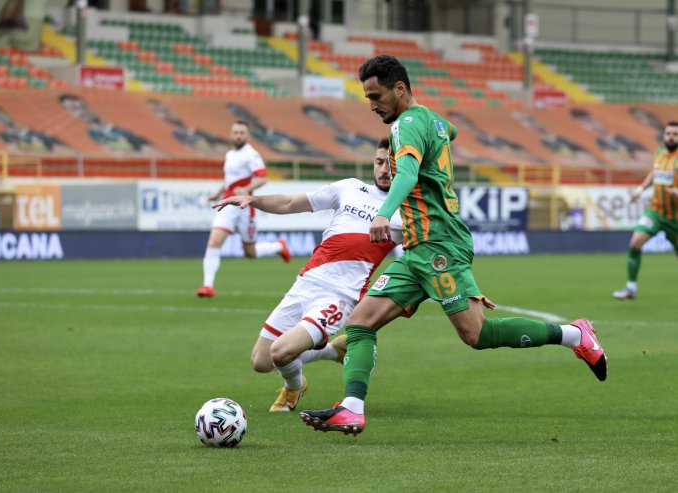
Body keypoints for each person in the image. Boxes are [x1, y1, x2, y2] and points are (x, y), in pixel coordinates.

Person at [299, 55, 608, 436]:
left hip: (438, 243)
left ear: (400, 89)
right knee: (361, 323)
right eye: (367, 97)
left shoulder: (404, 126)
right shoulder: (430, 119)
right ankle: (351, 408)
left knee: (476, 335)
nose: (371, 104)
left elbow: (409, 172)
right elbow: (452, 130)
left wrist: (383, 214)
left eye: (376, 95)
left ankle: (575, 334)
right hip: (417, 250)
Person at [213, 138, 402, 412]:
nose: (384, 169)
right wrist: (253, 199)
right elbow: (290, 202)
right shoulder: (349, 187)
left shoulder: (403, 212)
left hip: (339, 297)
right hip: (305, 283)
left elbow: (419, 257)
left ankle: (294, 387)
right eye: (379, 162)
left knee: (281, 352)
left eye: (391, 163)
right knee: (261, 361)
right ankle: (332, 351)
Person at [197, 120, 291, 298]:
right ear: (231, 134)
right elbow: (229, 180)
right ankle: (207, 286)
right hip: (227, 204)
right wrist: (217, 193)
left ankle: (278, 247)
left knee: (250, 252)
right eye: (235, 132)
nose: (238, 136)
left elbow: (262, 178)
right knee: (214, 241)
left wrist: (246, 190)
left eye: (242, 133)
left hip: (244, 207)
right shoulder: (230, 154)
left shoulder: (251, 155)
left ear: (247, 136)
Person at [613, 122, 678, 300]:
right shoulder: (659, 154)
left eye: (675, 134)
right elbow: (654, 173)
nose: (671, 137)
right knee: (635, 243)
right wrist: (640, 190)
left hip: (676, 218)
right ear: (664, 135)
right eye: (668, 133)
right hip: (655, 211)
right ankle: (631, 288)